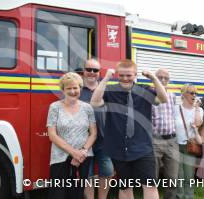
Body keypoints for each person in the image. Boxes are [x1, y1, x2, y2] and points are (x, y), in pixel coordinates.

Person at [91, 59, 168, 199]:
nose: (125, 78)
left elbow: (163, 99)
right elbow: (95, 102)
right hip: (119, 149)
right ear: (117, 75)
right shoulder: (110, 90)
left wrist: (153, 77)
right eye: (121, 75)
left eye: (129, 75)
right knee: (125, 187)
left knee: (150, 186)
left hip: (143, 147)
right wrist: (106, 78)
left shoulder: (144, 90)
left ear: (135, 75)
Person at [47, 72, 97, 199]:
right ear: (63, 90)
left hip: (83, 158)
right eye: (69, 88)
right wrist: (73, 152)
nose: (73, 91)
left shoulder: (88, 108)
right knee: (58, 194)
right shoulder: (54, 107)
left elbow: (93, 133)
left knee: (77, 194)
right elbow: (52, 135)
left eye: (76, 88)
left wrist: (82, 152)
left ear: (80, 88)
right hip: (60, 158)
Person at [77, 59, 114, 199]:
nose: (92, 73)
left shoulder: (106, 90)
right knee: (88, 174)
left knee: (108, 171)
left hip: (104, 139)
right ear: (84, 70)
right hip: (84, 140)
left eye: (95, 70)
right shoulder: (77, 89)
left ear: (100, 73)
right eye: (89, 69)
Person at [152, 68, 179, 199]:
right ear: (154, 79)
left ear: (169, 80)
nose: (163, 80)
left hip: (172, 141)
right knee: (152, 179)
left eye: (165, 78)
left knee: (172, 178)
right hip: (154, 141)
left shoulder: (173, 96)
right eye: (159, 77)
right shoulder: (149, 95)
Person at [175, 84, 203, 199]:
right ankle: (179, 196)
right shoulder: (176, 108)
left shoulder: (199, 110)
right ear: (184, 94)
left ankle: (189, 196)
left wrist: (196, 108)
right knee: (178, 175)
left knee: (189, 175)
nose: (194, 95)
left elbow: (198, 123)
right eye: (191, 93)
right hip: (175, 145)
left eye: (195, 93)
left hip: (190, 146)